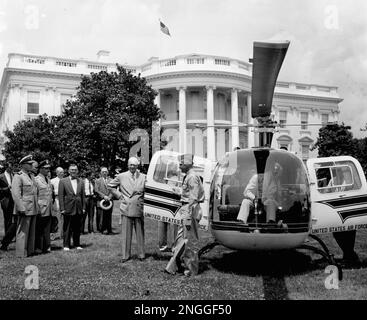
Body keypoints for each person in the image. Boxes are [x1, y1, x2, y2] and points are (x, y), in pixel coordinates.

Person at [165, 153, 204, 276]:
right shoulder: (189, 176)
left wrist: (189, 214)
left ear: (187, 164)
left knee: (188, 240)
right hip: (186, 208)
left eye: (181, 164)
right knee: (181, 239)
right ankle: (174, 266)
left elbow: (193, 197)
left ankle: (190, 270)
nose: (179, 166)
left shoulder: (191, 177)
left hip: (189, 209)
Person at [108, 157, 146, 262]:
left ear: (138, 166)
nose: (132, 167)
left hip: (139, 207)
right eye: (130, 165)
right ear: (128, 165)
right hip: (126, 207)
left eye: (134, 165)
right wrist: (120, 195)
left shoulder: (143, 177)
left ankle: (141, 254)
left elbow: (147, 190)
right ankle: (125, 255)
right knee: (126, 233)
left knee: (140, 232)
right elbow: (110, 186)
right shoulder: (121, 176)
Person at [11, 155, 38, 258]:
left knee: (31, 231)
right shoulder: (18, 176)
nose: (31, 165)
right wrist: (21, 207)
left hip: (33, 207)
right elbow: (16, 194)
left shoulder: (31, 176)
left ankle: (30, 251)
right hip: (25, 208)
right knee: (22, 231)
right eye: (29, 164)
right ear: (23, 165)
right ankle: (21, 253)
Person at [58, 164, 86, 251]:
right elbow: (61, 195)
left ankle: (77, 244)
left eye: (75, 170)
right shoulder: (63, 181)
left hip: (78, 207)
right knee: (67, 227)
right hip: (68, 207)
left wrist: (83, 207)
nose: (73, 171)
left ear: (77, 171)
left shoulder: (81, 181)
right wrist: (62, 208)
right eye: (72, 170)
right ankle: (66, 245)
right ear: (69, 171)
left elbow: (83, 196)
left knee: (77, 227)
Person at [34, 160, 53, 253]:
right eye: (46, 168)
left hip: (48, 208)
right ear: (40, 169)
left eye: (48, 168)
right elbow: (35, 195)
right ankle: (38, 247)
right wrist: (37, 208)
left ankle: (46, 246)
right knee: (39, 229)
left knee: (47, 228)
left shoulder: (48, 179)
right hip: (40, 208)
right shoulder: (36, 180)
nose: (48, 170)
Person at [95, 167, 113, 234]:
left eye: (106, 171)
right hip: (100, 201)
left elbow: (113, 189)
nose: (104, 173)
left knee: (108, 216)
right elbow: (96, 190)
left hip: (109, 201)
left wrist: (109, 196)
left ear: (107, 172)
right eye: (103, 172)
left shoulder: (112, 180)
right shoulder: (97, 180)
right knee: (100, 216)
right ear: (101, 173)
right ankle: (100, 230)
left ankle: (109, 230)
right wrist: (104, 196)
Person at [50, 167, 64, 240]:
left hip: (64, 200)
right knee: (56, 218)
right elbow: (51, 191)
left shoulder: (65, 180)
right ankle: (54, 234)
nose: (62, 173)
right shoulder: (52, 181)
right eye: (60, 172)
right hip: (56, 200)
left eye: (63, 172)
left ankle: (62, 234)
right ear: (57, 173)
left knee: (63, 218)